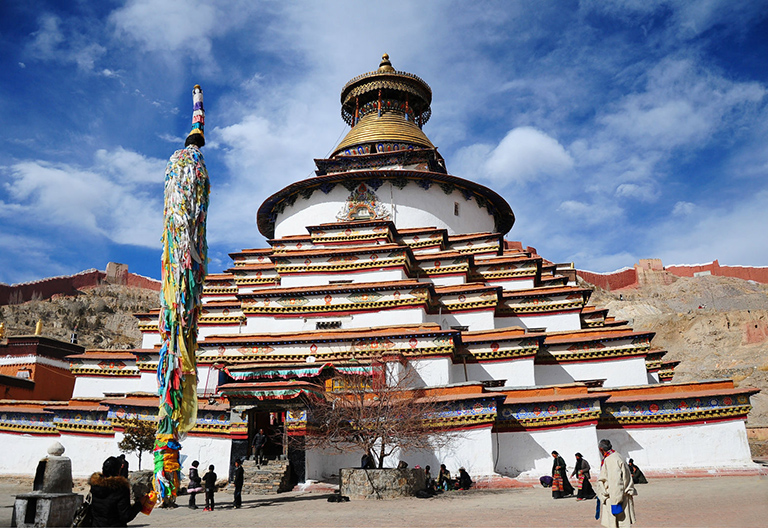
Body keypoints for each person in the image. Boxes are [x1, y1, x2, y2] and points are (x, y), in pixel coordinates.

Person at [89, 456, 143, 527]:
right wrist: (139, 504)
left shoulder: (95, 486)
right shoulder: (120, 488)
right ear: (118, 470)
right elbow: (126, 516)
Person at [596, 439, 637, 527]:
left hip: (615, 497)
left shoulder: (611, 460)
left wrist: (616, 501)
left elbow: (615, 481)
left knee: (617, 524)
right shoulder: (617, 456)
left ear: (601, 449)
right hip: (618, 495)